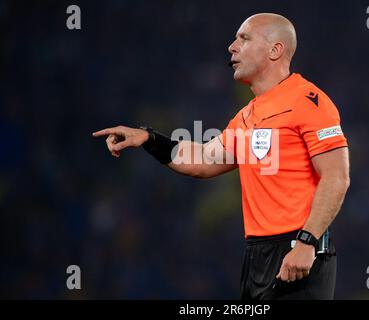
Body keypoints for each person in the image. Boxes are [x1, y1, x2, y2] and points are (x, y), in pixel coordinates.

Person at [93, 13, 350, 300]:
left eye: (244, 38)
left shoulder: (309, 102)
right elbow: (203, 159)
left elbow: (336, 177)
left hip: (298, 252)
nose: (231, 46)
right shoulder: (247, 116)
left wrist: (306, 242)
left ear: (275, 50)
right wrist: (149, 139)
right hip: (256, 256)